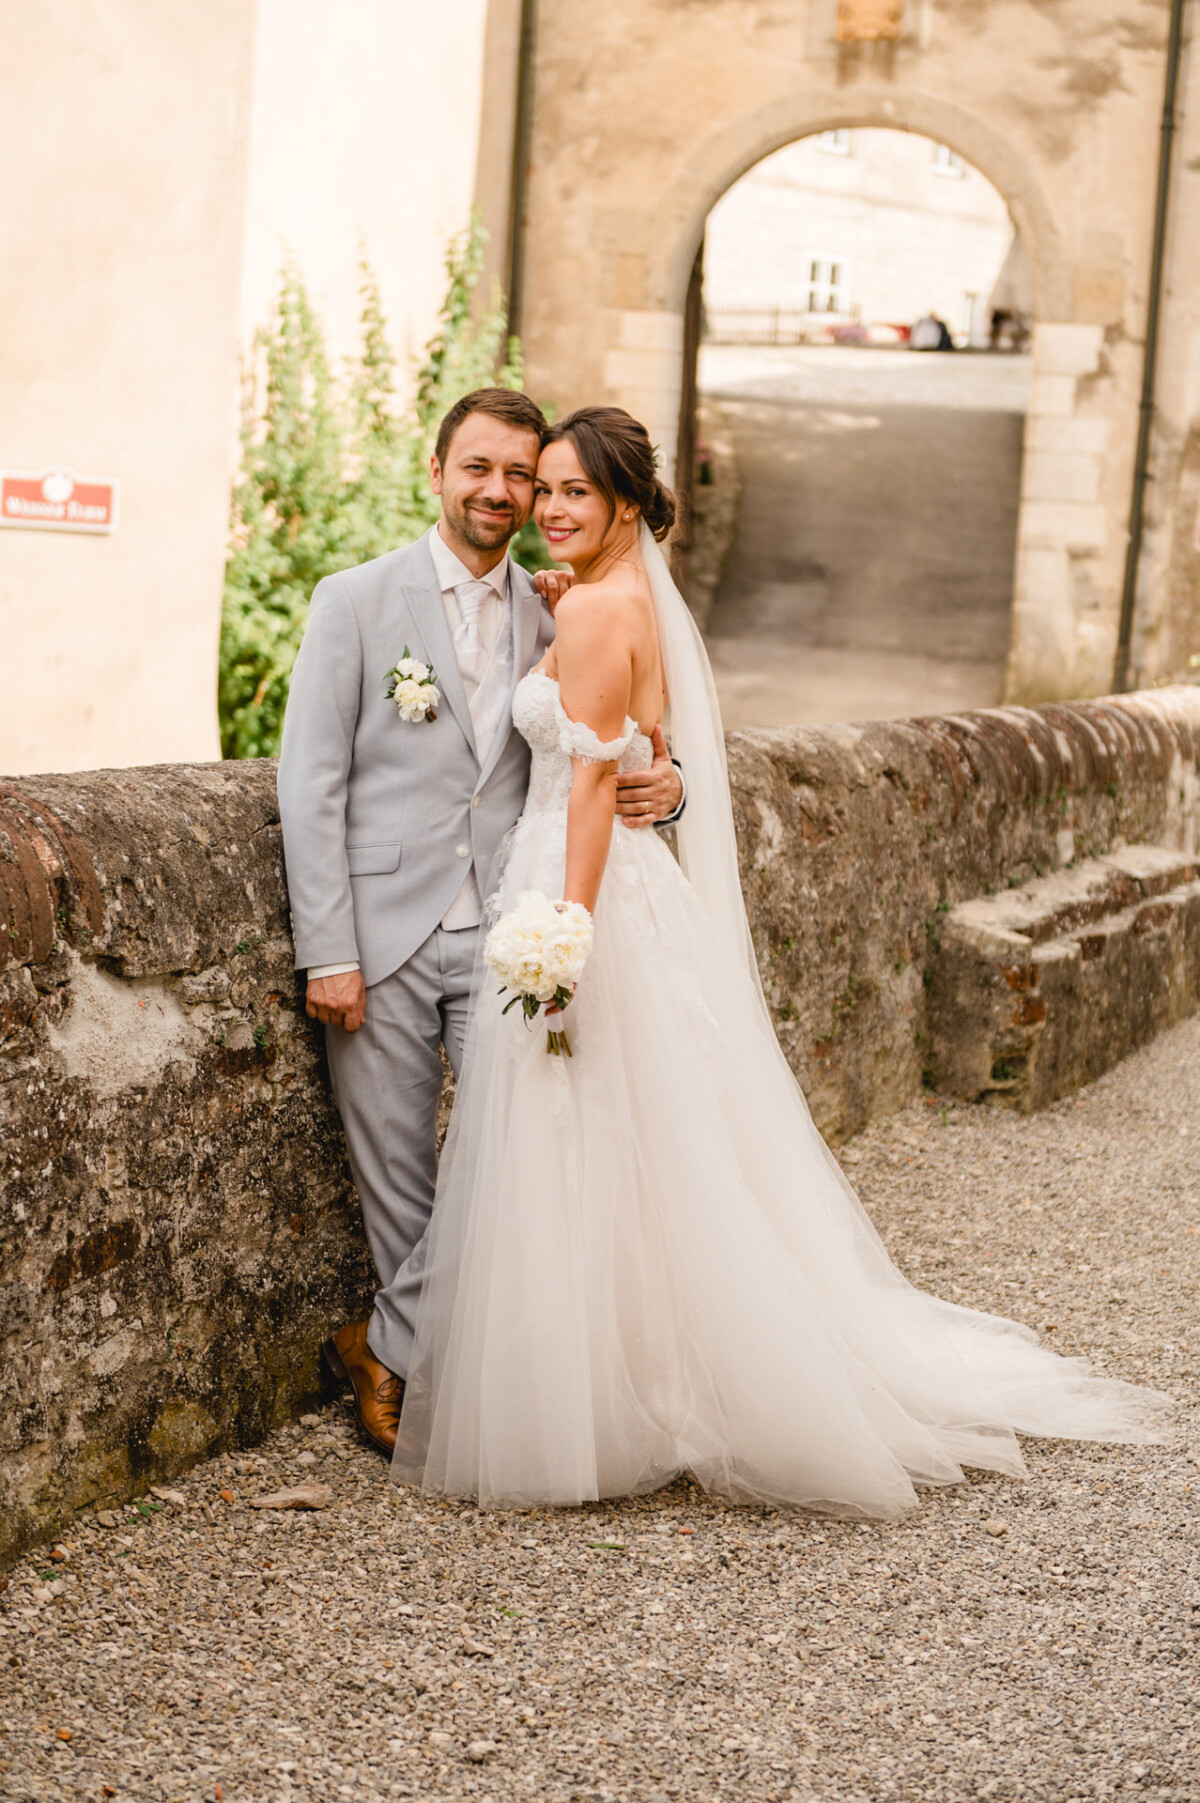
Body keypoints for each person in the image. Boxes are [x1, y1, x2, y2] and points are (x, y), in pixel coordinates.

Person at [392, 405, 1168, 1514]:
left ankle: (615, 1397)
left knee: (590, 1132)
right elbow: (641, 750)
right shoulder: (621, 600)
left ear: (624, 504)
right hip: (616, 885)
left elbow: (603, 783)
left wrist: (562, 931)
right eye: (544, 490)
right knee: (642, 1137)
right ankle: (640, 1371)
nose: (550, 509)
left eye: (574, 493)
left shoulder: (600, 613)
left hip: (583, 889)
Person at [277, 389, 684, 1455]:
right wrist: (328, 949)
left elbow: (625, 732)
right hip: (379, 933)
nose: (505, 492)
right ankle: (421, 1366)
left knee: (505, 1163)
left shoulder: (565, 601)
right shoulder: (354, 601)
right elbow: (309, 784)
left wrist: (667, 784)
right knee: (401, 1178)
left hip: (511, 920)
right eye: (486, 469)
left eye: (527, 477)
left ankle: (386, 1346)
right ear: (439, 470)